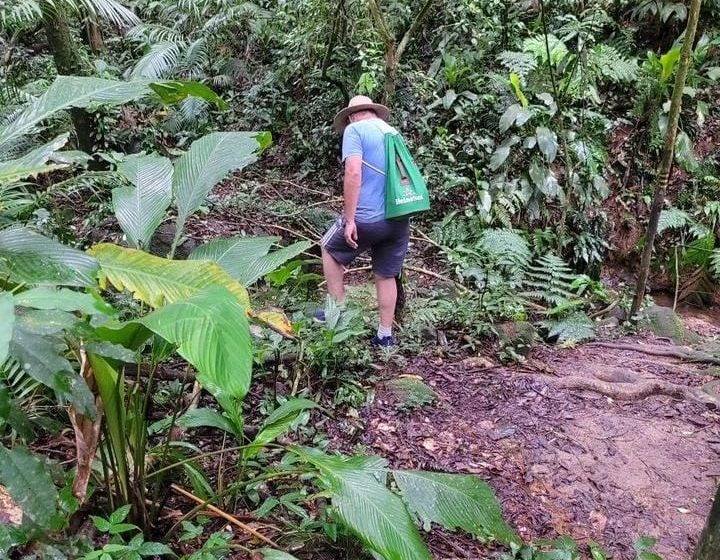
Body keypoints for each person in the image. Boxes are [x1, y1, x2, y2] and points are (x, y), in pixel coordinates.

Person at [314, 95, 410, 347]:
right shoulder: (392, 132)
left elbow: (353, 172)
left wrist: (349, 218)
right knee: (386, 275)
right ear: (372, 112)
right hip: (398, 217)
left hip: (368, 216)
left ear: (352, 115)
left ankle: (336, 312)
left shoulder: (355, 130)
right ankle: (385, 335)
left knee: (328, 247)